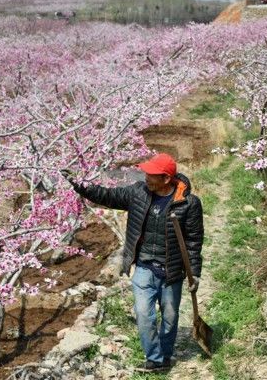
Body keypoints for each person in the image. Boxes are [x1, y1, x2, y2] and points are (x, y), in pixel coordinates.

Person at [61, 153, 204, 373]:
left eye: (151, 174)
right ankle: (154, 360)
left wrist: (195, 273)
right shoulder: (138, 192)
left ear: (166, 178)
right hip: (144, 267)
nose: (146, 177)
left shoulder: (188, 203)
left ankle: (165, 355)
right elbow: (105, 195)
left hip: (172, 270)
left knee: (170, 316)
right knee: (144, 315)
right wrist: (78, 183)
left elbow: (194, 241)